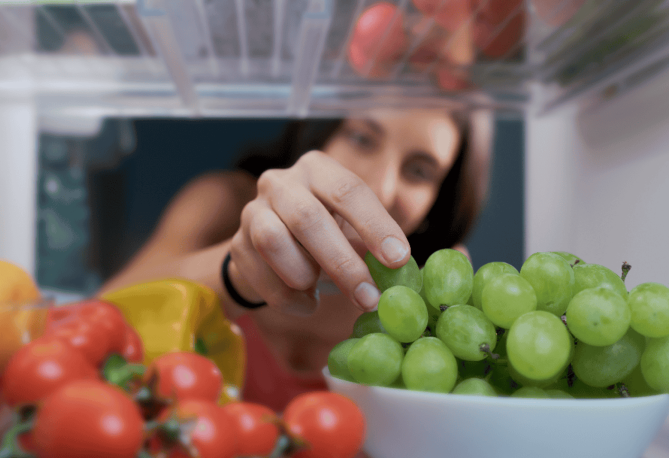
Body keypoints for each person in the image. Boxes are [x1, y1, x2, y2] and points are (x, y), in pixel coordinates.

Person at [101, 107, 493, 412]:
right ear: (319, 136)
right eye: (361, 138)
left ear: (438, 203)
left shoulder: (429, 304)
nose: (380, 186)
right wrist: (238, 272)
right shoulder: (222, 205)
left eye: (420, 171)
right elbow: (91, 329)